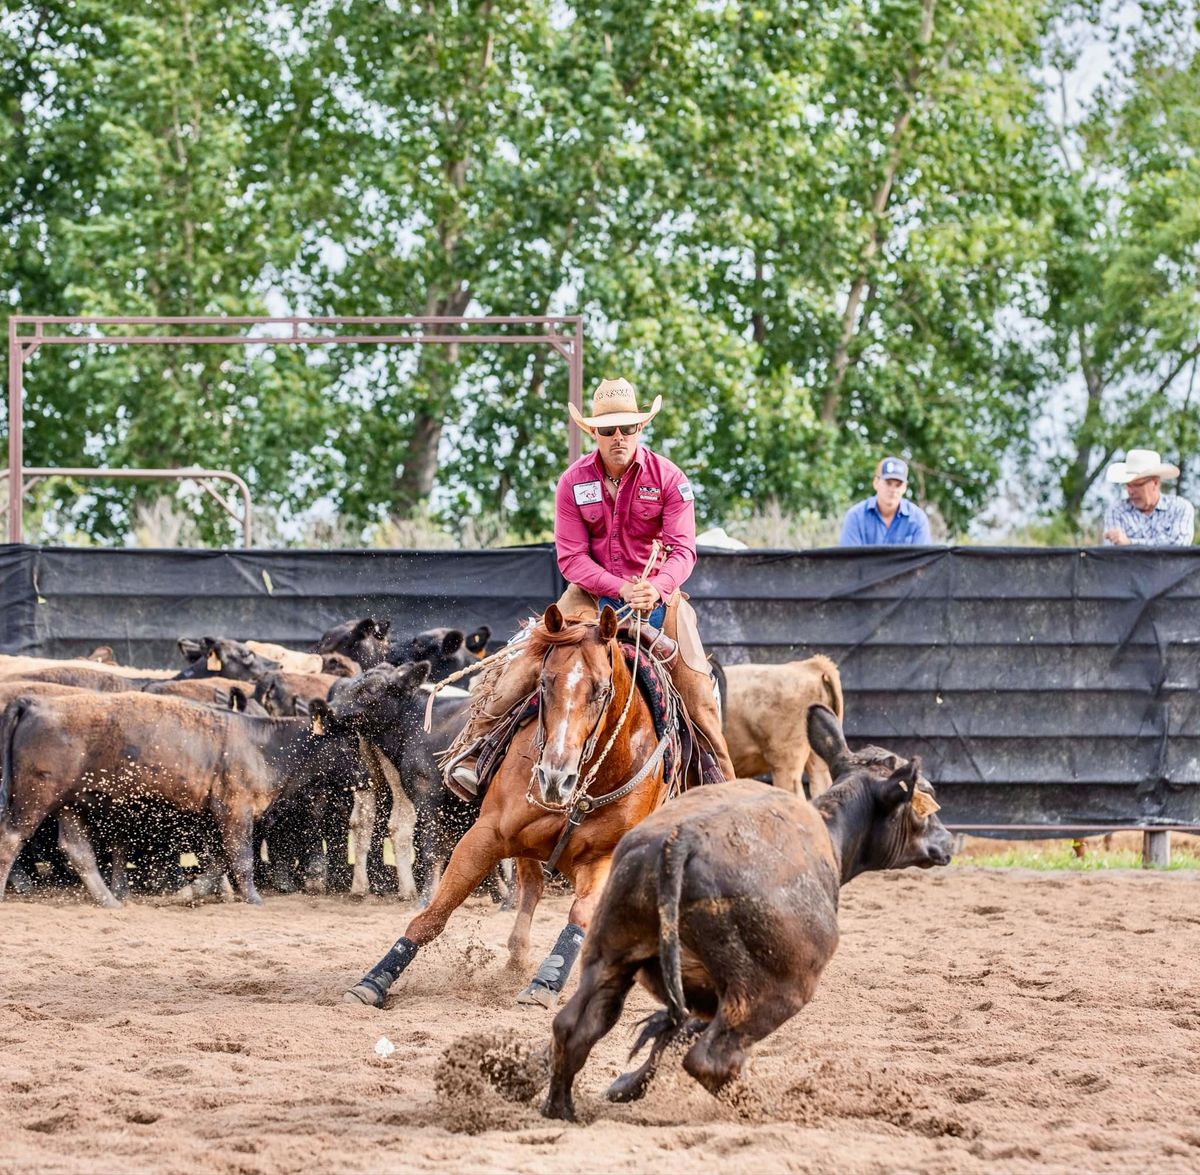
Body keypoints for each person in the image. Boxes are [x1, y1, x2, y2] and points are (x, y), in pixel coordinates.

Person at [443, 377, 735, 794]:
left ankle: (722, 786)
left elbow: (683, 550)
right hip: (589, 593)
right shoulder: (572, 482)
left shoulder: (670, 479)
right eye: (608, 429)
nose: (619, 437)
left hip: (658, 594)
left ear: (640, 428)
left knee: (697, 691)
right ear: (593, 432)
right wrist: (620, 588)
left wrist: (656, 586)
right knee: (531, 657)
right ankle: (476, 750)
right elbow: (572, 559)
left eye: (628, 428)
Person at [1102, 448, 1195, 546]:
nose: (1130, 491)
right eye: (1128, 485)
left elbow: (1179, 545)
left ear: (1155, 483)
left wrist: (1130, 543)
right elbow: (1112, 552)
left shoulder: (1179, 508)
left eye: (1137, 485)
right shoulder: (1116, 510)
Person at [839, 456, 932, 546]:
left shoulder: (918, 519)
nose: (893, 490)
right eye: (888, 483)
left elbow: (922, 560)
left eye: (898, 485)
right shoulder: (855, 517)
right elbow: (850, 560)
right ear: (876, 483)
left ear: (905, 487)